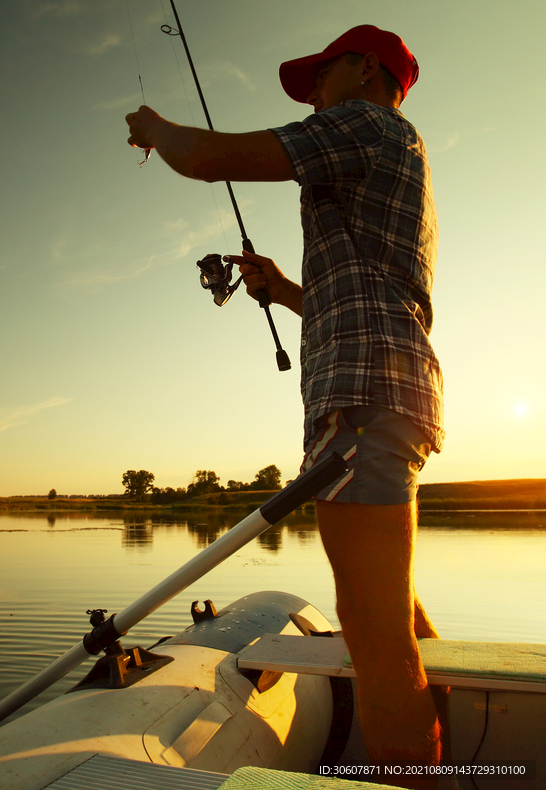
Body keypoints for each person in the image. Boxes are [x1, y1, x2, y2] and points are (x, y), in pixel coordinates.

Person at [125, 25, 445, 787]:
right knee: (392, 616)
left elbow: (207, 159)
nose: (311, 94)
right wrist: (281, 289)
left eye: (319, 76)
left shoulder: (367, 122)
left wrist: (153, 127)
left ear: (367, 70)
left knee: (375, 639)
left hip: (362, 400)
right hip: (378, 392)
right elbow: (362, 296)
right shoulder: (395, 149)